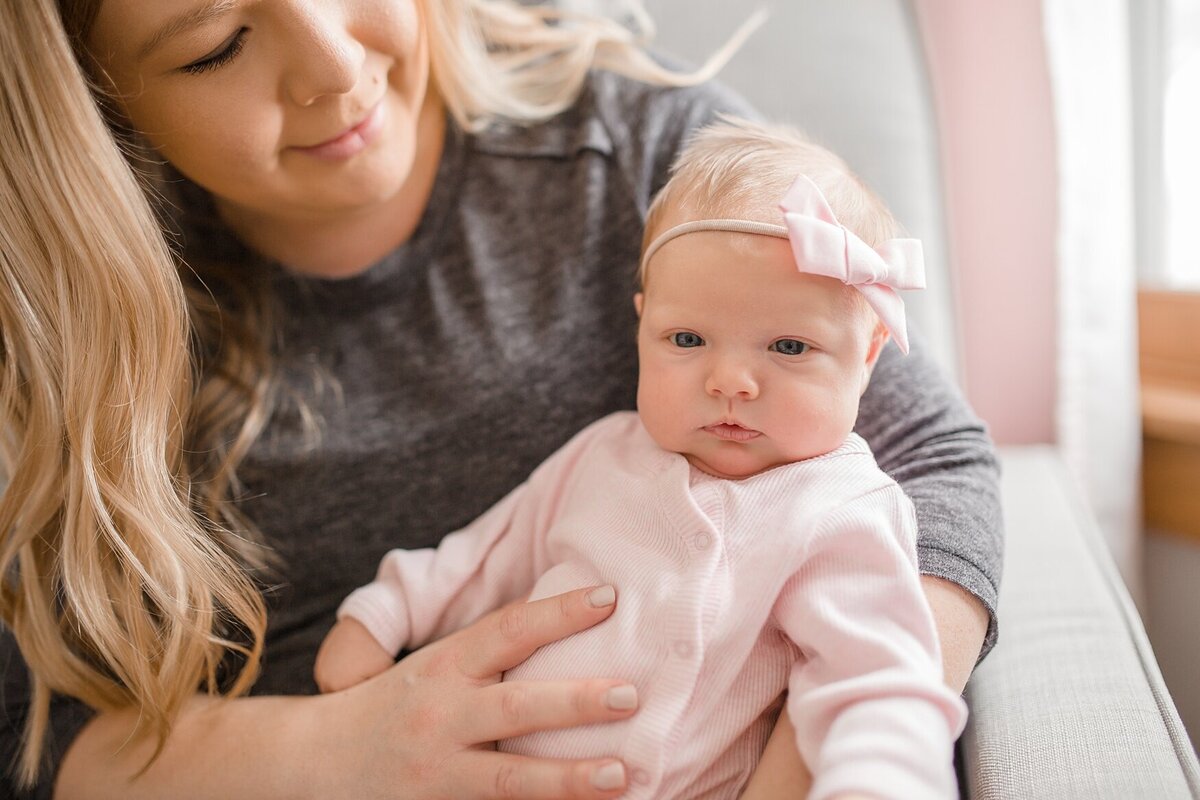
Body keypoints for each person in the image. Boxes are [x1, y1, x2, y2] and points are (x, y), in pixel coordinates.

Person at [0, 0, 1001, 797]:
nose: (335, 66)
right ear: (93, 93)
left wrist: (805, 774)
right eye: (216, 46)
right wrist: (324, 750)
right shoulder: (51, 323)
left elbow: (940, 469)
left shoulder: (655, 171)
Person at [313, 118, 969, 800]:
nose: (731, 382)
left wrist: (879, 781)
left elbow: (875, 683)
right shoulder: (603, 457)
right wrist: (384, 612)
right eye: (687, 338)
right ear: (641, 325)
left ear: (867, 357)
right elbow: (485, 554)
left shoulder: (839, 511)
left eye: (789, 347)